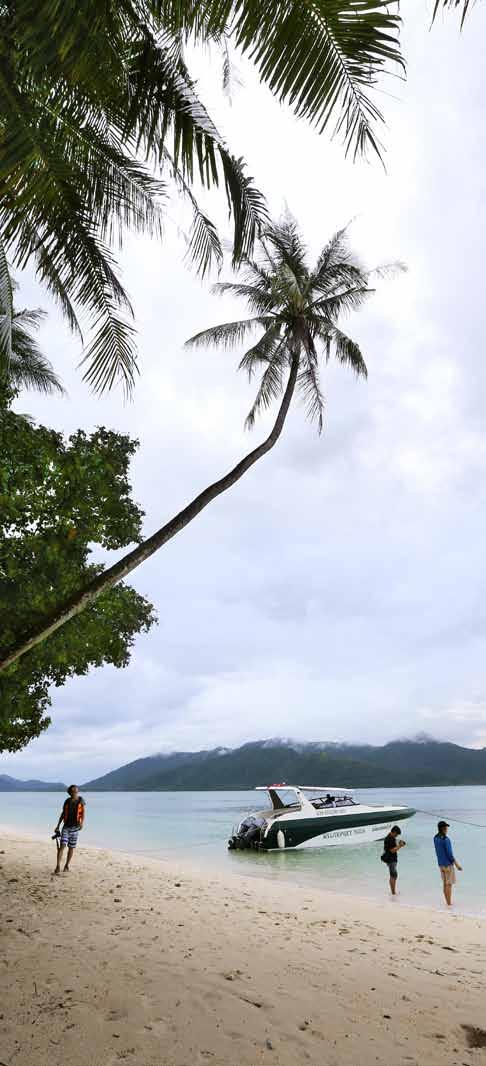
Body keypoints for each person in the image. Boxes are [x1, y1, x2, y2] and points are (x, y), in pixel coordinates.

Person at [53, 785, 86, 875]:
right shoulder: (67, 801)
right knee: (62, 846)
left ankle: (67, 865)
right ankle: (58, 866)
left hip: (75, 828)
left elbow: (83, 813)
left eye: (76, 791)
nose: (75, 793)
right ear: (70, 792)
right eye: (73, 791)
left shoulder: (81, 800)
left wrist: (82, 823)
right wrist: (58, 825)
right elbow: (63, 813)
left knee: (71, 847)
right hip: (66, 827)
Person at [433, 820, 462, 906]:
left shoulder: (435, 838)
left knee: (445, 884)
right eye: (445, 827)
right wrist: (457, 865)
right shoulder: (446, 840)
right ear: (442, 828)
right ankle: (449, 903)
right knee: (449, 884)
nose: (447, 829)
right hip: (448, 865)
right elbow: (449, 854)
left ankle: (447, 902)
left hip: (441, 864)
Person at [382, 825, 406, 896]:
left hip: (391, 859)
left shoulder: (389, 837)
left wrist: (398, 843)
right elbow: (392, 850)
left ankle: (393, 891)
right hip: (391, 860)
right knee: (393, 875)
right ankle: (393, 893)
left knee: (393, 875)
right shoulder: (390, 839)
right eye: (397, 834)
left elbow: (389, 848)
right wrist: (400, 846)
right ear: (394, 832)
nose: (397, 836)